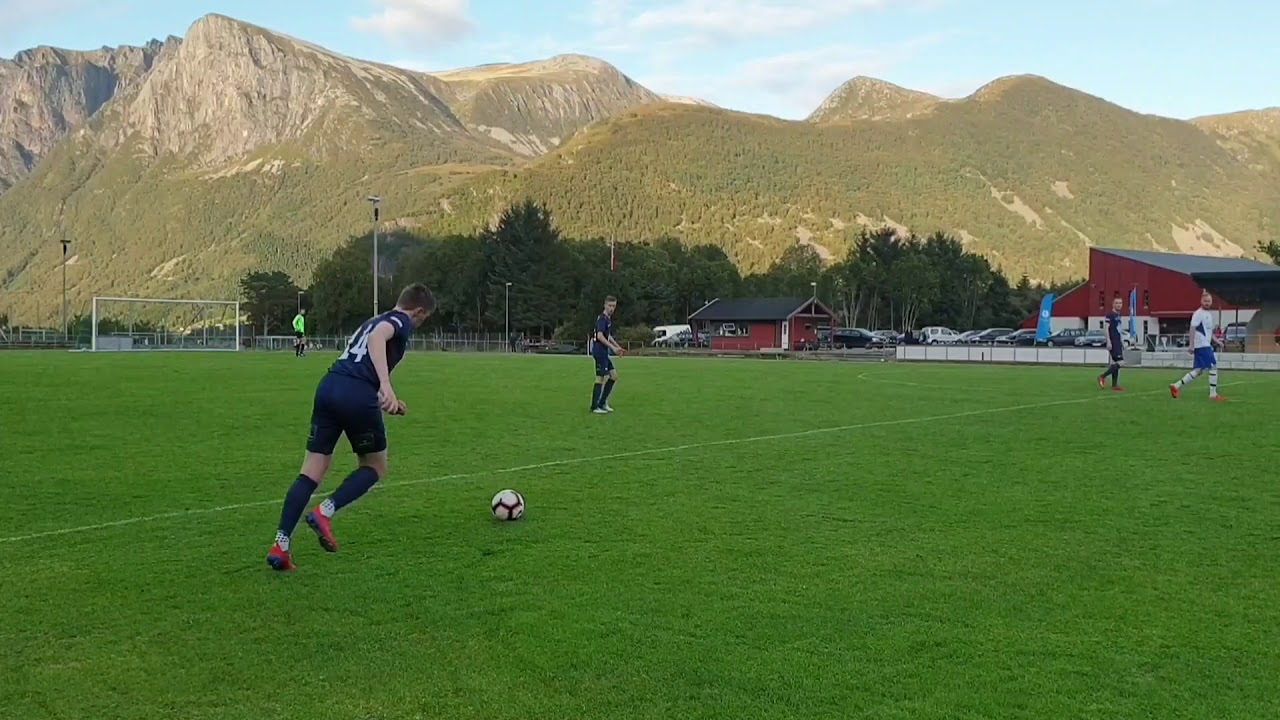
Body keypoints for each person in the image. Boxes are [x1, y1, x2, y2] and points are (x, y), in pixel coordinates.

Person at [267, 284, 436, 571]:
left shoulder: (373, 318)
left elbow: (365, 349)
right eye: (423, 319)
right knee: (375, 466)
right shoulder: (399, 321)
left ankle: (280, 546)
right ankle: (324, 512)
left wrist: (389, 398)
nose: (418, 324)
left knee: (312, 469)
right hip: (357, 392)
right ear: (419, 311)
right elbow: (378, 338)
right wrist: (383, 384)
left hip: (330, 385)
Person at [1170, 290, 1226, 401]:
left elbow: (1209, 333)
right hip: (1201, 345)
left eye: (1209, 301)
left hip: (1205, 345)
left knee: (1198, 370)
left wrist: (1217, 341)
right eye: (1205, 301)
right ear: (1201, 301)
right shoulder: (1198, 313)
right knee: (1213, 366)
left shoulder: (1208, 315)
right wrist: (1191, 345)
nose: (1207, 303)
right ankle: (1213, 395)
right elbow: (1192, 328)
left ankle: (1176, 386)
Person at [590, 295, 625, 414]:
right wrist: (613, 348)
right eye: (610, 305)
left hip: (604, 351)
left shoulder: (608, 320)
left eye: (614, 306)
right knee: (600, 377)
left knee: (613, 376)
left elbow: (607, 336)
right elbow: (600, 336)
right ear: (605, 305)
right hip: (599, 351)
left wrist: (617, 346)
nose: (612, 308)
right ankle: (595, 407)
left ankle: (602, 403)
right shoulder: (602, 319)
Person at [1097, 296, 1125, 391]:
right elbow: (1106, 328)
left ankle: (1114, 385)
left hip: (1117, 341)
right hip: (1113, 341)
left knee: (1115, 363)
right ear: (1113, 304)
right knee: (1121, 362)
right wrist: (1108, 341)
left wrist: (1122, 341)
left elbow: (1119, 329)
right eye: (1117, 303)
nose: (1119, 305)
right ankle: (1102, 376)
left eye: (1120, 303)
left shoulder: (1118, 316)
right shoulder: (1110, 315)